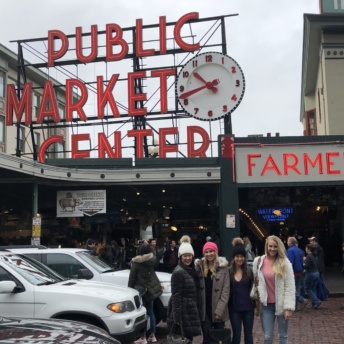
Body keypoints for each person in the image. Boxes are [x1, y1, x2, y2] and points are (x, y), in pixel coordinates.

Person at [252, 235, 295, 344]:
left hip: (281, 303)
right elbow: (256, 282)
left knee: (283, 336)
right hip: (266, 305)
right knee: (267, 336)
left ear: (279, 247)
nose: (272, 249)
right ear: (266, 246)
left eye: (275, 246)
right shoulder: (259, 261)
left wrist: (288, 307)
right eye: (270, 246)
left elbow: (289, 286)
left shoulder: (285, 263)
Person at [167, 235, 202, 343]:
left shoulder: (190, 270)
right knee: (184, 339)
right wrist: (177, 318)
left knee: (188, 340)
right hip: (183, 313)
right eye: (184, 256)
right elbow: (176, 295)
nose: (187, 258)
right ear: (180, 257)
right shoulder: (178, 272)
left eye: (189, 255)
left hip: (189, 311)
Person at [195, 239, 230, 344]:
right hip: (205, 310)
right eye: (206, 252)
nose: (209, 254)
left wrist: (219, 311)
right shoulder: (199, 267)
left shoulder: (223, 268)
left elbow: (225, 291)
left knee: (219, 339)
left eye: (211, 251)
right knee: (207, 338)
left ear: (216, 252)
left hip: (218, 309)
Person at [128, 243, 163, 344]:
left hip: (141, 291)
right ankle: (152, 335)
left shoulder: (136, 262)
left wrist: (129, 290)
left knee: (142, 315)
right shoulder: (152, 260)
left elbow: (132, 278)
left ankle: (143, 337)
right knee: (150, 312)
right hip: (151, 290)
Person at [228, 237, 254, 344]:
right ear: (234, 258)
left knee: (248, 335)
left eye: (242, 256)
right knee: (236, 335)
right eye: (237, 256)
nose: (240, 259)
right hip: (235, 308)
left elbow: (254, 287)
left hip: (248, 308)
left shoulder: (249, 271)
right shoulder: (229, 272)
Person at [286, 237, 308, 311]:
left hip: (293, 272)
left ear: (290, 242)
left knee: (292, 289)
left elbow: (290, 262)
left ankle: (301, 300)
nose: (287, 243)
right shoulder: (300, 251)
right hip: (299, 271)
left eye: (288, 241)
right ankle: (295, 306)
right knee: (296, 288)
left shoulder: (290, 250)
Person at [303, 244, 321, 309]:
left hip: (310, 273)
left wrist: (303, 262)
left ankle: (316, 301)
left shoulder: (308, 257)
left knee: (307, 288)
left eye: (306, 248)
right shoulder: (315, 256)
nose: (305, 250)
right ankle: (314, 304)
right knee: (313, 288)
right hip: (316, 273)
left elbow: (306, 266)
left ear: (308, 249)